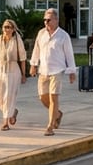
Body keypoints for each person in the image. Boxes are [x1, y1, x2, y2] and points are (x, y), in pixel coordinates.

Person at [29, 8, 76, 136]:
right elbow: (36, 49)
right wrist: (33, 64)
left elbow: (69, 54)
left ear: (56, 20)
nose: (46, 22)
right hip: (43, 70)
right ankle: (58, 113)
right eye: (45, 20)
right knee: (43, 97)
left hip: (57, 70)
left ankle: (50, 126)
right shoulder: (41, 33)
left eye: (49, 20)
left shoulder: (63, 36)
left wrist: (72, 71)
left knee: (53, 97)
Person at [0, 18, 27, 130]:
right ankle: (12, 112)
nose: (6, 29)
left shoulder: (17, 40)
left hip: (13, 72)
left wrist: (23, 74)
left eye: (8, 27)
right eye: (4, 27)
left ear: (13, 29)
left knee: (8, 97)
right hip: (0, 71)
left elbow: (22, 58)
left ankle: (5, 122)